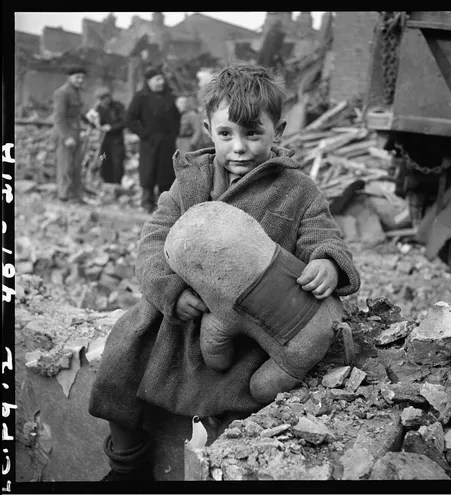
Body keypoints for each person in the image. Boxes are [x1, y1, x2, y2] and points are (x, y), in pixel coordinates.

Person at [89, 64, 361, 482]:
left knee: (240, 394)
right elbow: (153, 239)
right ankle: (126, 464)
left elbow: (322, 233)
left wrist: (325, 261)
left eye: (253, 134)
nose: (239, 148)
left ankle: (219, 465)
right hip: (180, 315)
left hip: (247, 326)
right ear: (207, 129)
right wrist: (169, 290)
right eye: (226, 134)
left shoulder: (296, 188)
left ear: (279, 130)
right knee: (124, 355)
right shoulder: (189, 182)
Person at [125, 65, 181, 213]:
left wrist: (173, 134)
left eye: (162, 79)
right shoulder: (140, 97)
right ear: (148, 81)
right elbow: (130, 119)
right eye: (157, 79)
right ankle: (146, 203)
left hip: (167, 142)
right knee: (148, 172)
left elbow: (176, 117)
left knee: (166, 174)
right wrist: (145, 134)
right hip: (149, 142)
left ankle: (163, 205)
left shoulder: (169, 96)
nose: (161, 82)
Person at [52, 65, 89, 203]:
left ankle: (74, 195)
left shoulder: (77, 92)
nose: (80, 80)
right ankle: (64, 195)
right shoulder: (62, 93)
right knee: (65, 165)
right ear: (70, 77)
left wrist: (86, 123)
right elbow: (59, 117)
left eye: (82, 77)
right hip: (66, 133)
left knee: (76, 165)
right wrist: (66, 137)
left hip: (77, 132)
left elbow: (78, 114)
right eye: (77, 77)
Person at [93, 87, 126, 185]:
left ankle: (117, 183)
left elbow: (124, 121)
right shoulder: (99, 108)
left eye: (107, 97)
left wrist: (111, 127)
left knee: (117, 162)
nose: (106, 99)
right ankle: (105, 181)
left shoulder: (118, 106)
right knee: (104, 159)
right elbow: (94, 122)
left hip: (116, 141)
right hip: (104, 142)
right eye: (103, 98)